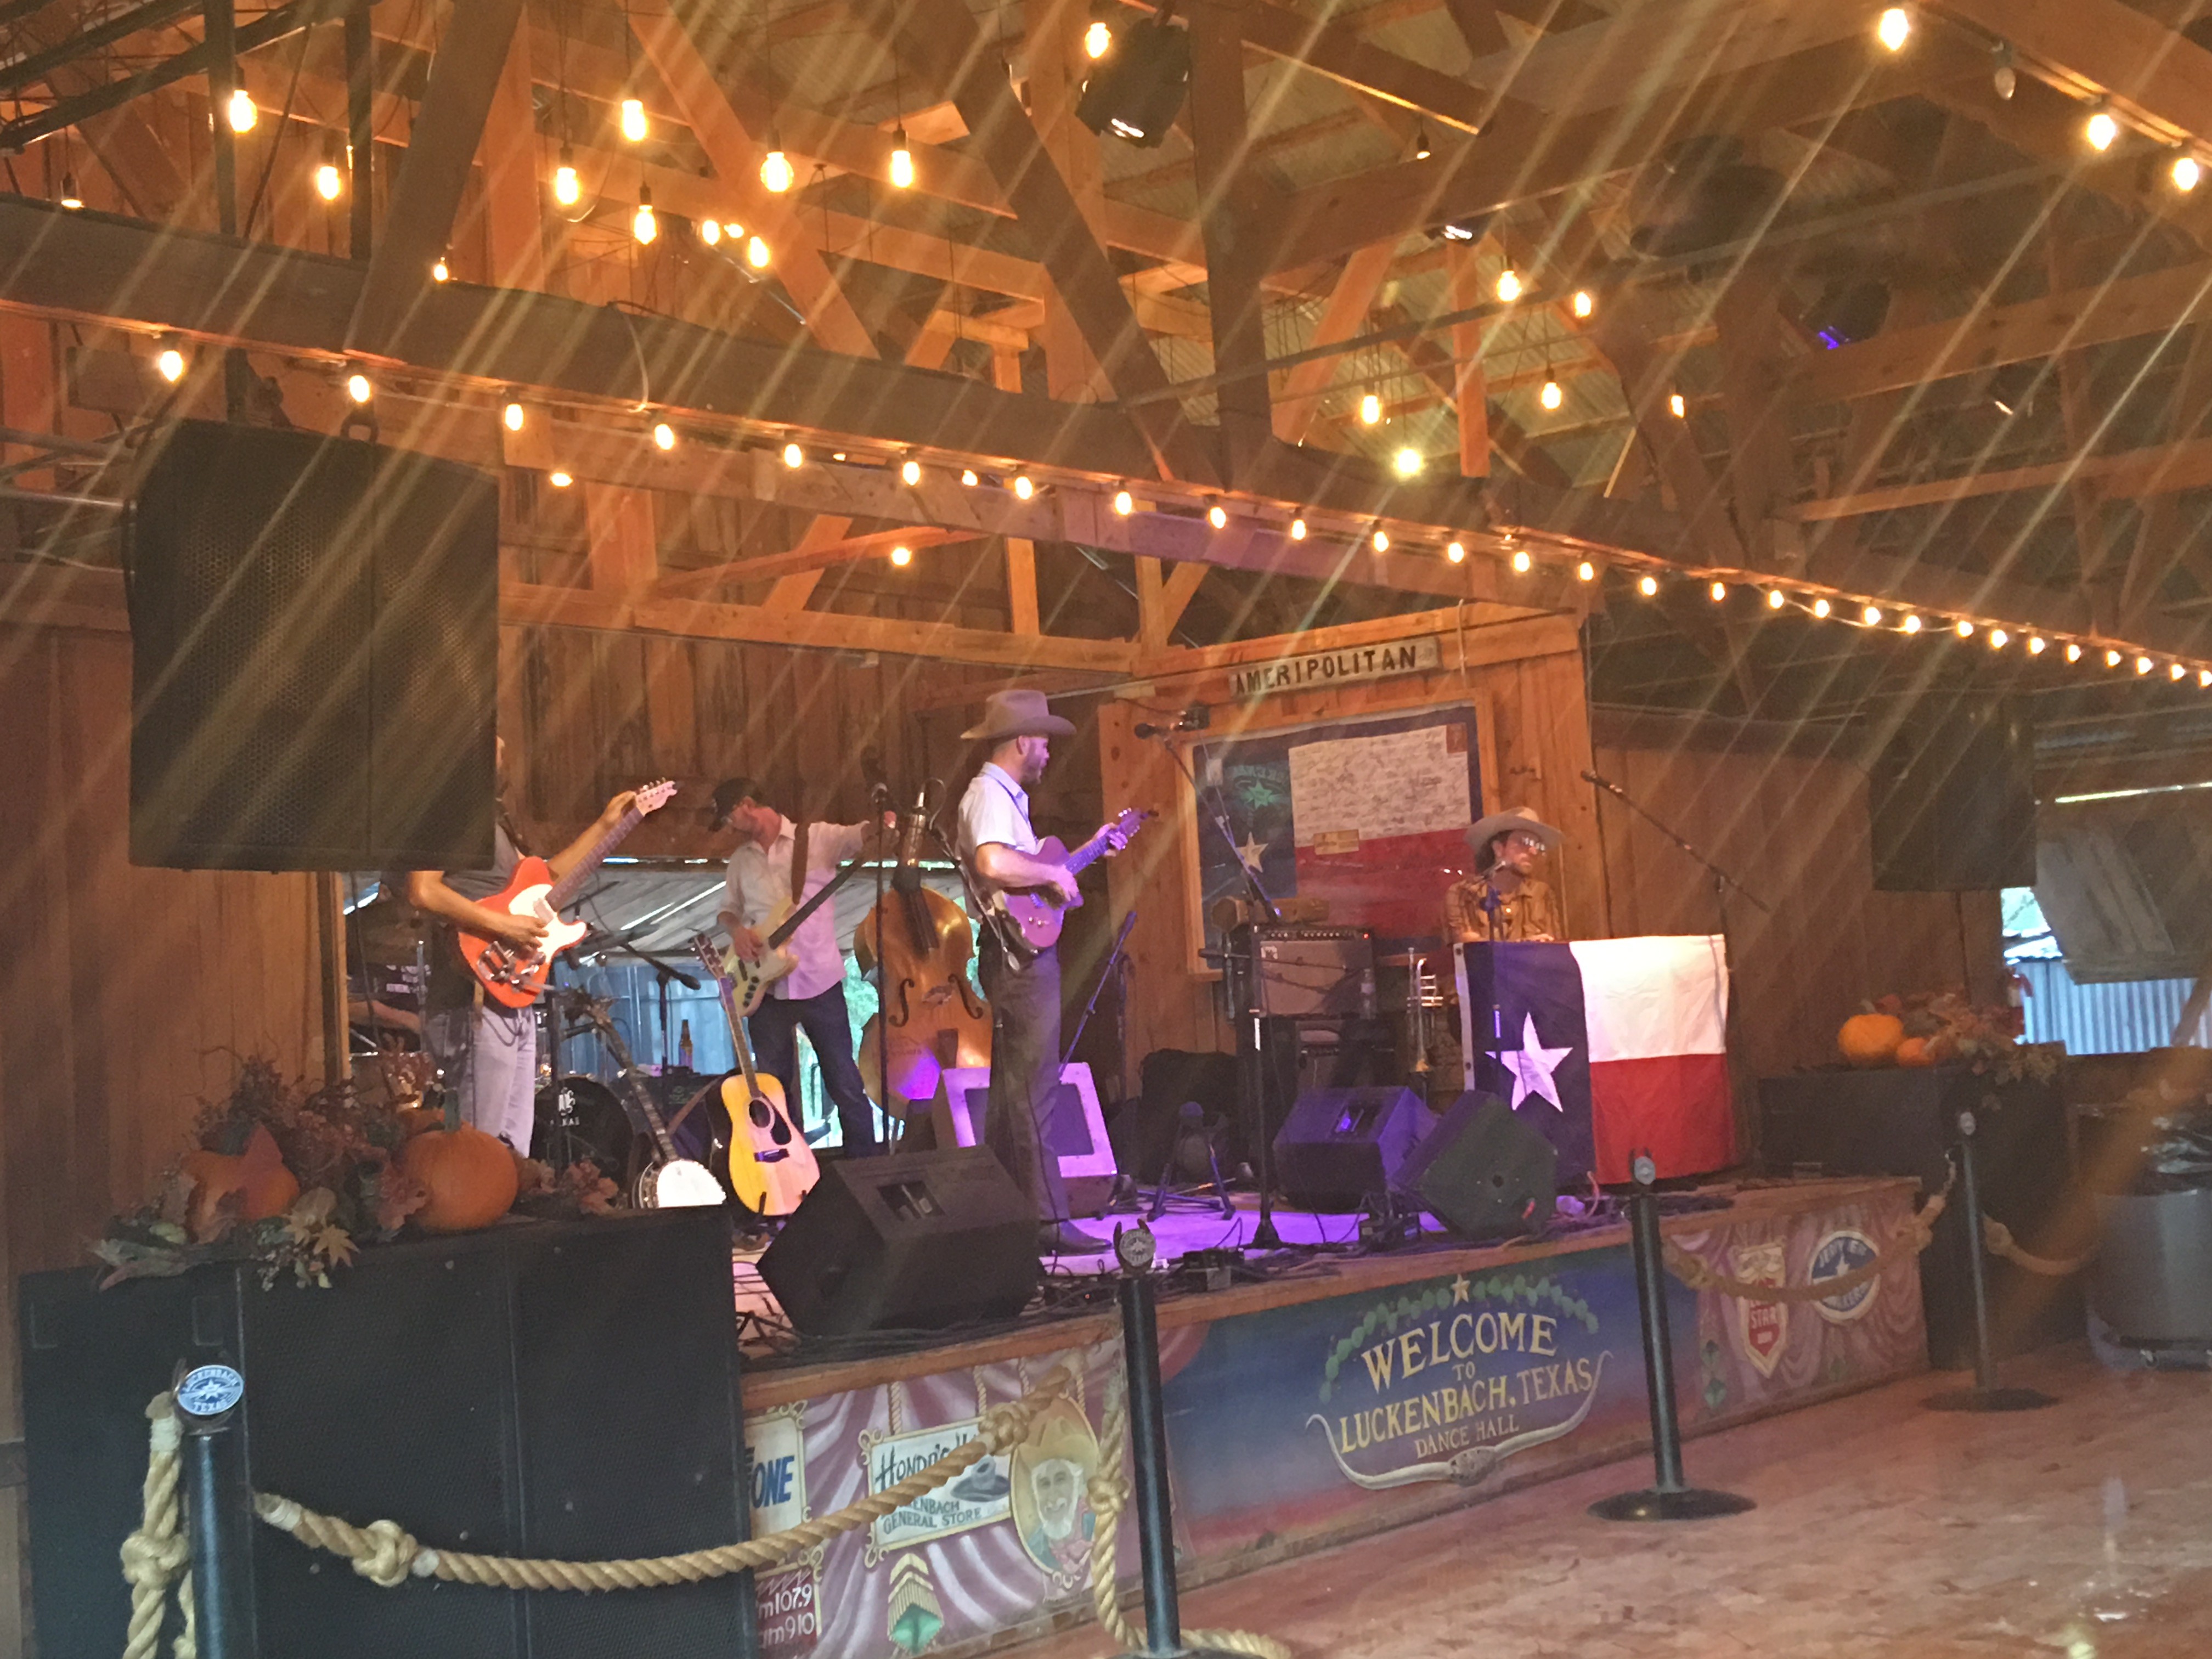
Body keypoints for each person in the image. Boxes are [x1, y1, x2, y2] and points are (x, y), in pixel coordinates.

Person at [404, 738, 637, 1152]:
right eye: (492, 743)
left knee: (512, 1151)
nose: (503, 749)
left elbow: (546, 883)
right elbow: (422, 890)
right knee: (479, 1148)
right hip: (471, 995)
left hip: (511, 994)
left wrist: (606, 827)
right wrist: (503, 926)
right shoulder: (444, 812)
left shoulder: (493, 823)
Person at [956, 689, 1103, 1256]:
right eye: (1043, 741)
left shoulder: (1005, 799)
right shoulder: (989, 795)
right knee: (1033, 1091)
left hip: (1018, 957)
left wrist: (1076, 860)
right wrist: (1050, 876)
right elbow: (993, 863)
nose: (1047, 752)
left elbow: (1026, 872)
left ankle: (1009, 1217)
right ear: (1022, 741)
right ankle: (1047, 1220)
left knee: (1015, 1093)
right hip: (1019, 962)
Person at [709, 777, 886, 1158]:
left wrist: (882, 823)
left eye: (729, 817)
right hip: (766, 989)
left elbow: (859, 836)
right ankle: (788, 1169)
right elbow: (727, 910)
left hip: (819, 981)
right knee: (772, 1089)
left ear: (746, 805)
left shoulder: (817, 838)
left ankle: (865, 1168)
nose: (730, 827)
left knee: (844, 1081)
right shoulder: (741, 861)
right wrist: (738, 932)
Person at [1443, 807, 1568, 944]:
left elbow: (1555, 946)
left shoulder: (1541, 893)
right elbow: (1467, 945)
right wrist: (1523, 946)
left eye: (1537, 845)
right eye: (1524, 842)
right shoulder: (1464, 893)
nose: (1534, 851)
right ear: (1498, 849)